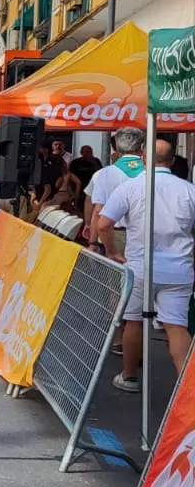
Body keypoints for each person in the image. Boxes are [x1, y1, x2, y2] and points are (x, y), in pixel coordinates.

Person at [95, 138, 195, 393]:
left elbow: (104, 223)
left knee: (134, 321)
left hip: (139, 266)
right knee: (176, 325)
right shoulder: (188, 190)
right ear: (172, 161)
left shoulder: (131, 187)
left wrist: (112, 251)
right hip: (179, 268)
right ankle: (186, 389)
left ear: (143, 158)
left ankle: (129, 376)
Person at [84, 128, 145, 259]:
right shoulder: (153, 172)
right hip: (148, 234)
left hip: (115, 236)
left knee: (118, 278)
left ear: (116, 147)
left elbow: (98, 210)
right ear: (142, 147)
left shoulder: (104, 173)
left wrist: (93, 242)